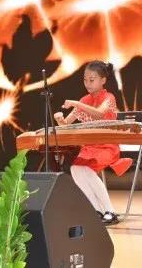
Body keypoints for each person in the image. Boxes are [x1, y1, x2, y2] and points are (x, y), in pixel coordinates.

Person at [54, 61, 132, 225]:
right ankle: (96, 210)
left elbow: (99, 114)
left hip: (107, 146)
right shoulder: (84, 99)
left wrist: (77, 104)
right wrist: (60, 119)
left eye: (92, 79)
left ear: (103, 80)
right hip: (90, 147)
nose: (87, 83)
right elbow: (66, 124)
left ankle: (110, 211)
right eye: (85, 80)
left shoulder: (109, 98)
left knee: (87, 171)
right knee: (75, 169)